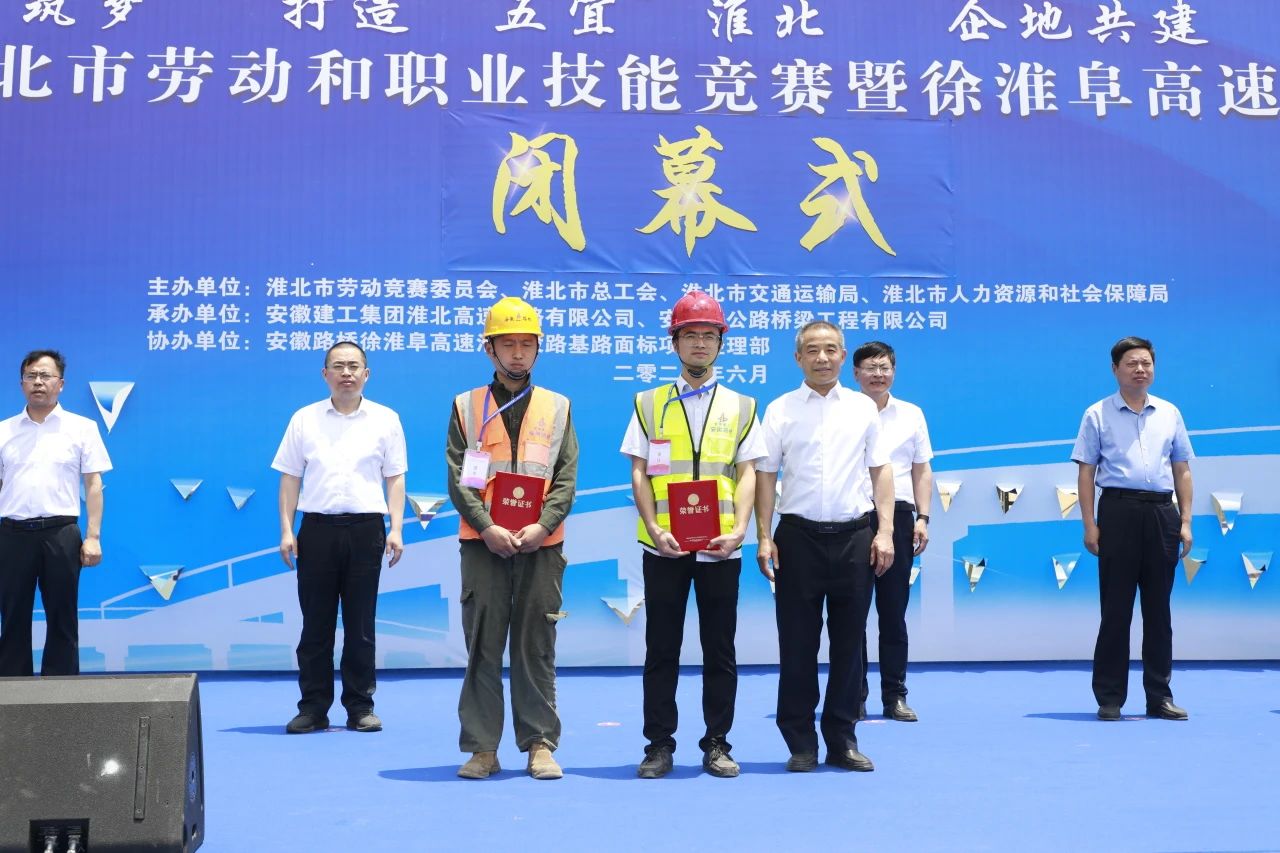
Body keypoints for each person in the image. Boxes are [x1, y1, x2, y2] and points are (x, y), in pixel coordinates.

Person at [620, 290, 766, 779]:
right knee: (661, 649)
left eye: (708, 335)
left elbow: (748, 472)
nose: (699, 343)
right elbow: (638, 471)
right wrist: (655, 527)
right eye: (690, 335)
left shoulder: (742, 406)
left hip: (721, 547)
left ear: (721, 343)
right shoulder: (649, 403)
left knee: (720, 650)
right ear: (674, 343)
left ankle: (717, 743)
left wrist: (740, 529)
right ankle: (658, 745)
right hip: (663, 546)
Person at [755, 321, 896, 773]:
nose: (822, 358)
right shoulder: (779, 410)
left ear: (843, 355)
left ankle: (842, 738)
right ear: (798, 358)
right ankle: (800, 742)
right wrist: (764, 535)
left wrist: (885, 531)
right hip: (797, 538)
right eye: (812, 350)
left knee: (849, 644)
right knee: (797, 643)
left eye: (831, 349)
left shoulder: (861, 408)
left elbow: (881, 471)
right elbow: (765, 476)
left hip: (855, 537)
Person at [446, 296, 578, 780]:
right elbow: (459, 476)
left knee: (535, 644)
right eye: (508, 344)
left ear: (538, 348)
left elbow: (565, 476)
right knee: (482, 644)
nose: (518, 353)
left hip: (542, 544)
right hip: (484, 544)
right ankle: (482, 748)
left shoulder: (557, 406)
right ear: (490, 349)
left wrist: (543, 525)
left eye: (527, 344)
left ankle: (540, 744)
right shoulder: (467, 406)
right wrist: (487, 526)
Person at [273, 341, 407, 735]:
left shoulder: (386, 419)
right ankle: (313, 708)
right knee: (315, 624)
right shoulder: (305, 419)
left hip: (367, 530)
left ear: (366, 373)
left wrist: (396, 529)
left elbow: (395, 478)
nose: (346, 373)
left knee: (360, 625)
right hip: (317, 530)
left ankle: (360, 707)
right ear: (325, 374)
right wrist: (287, 530)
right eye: (338, 366)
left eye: (353, 366)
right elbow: (290, 477)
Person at [1072, 336, 1193, 722]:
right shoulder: (1097, 414)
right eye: (1131, 363)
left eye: (1146, 363)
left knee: (1159, 612)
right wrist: (1090, 524)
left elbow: (1182, 469)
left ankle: (1159, 696)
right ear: (1115, 369)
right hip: (1118, 512)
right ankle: (1110, 698)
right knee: (1116, 610)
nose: (1140, 370)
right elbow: (1086, 472)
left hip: (1161, 514)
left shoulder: (1170, 413)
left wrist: (1186, 521)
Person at [0, 350, 111, 677]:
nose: (38, 382)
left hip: (61, 534)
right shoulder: (4, 431)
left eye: (45, 376)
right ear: (21, 384)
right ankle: (12, 693)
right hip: (12, 535)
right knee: (12, 617)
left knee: (63, 617)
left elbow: (93, 484)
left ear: (60, 384)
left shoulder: (82, 428)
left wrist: (93, 537)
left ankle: (62, 693)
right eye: (31, 376)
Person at [851, 341, 933, 723]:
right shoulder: (845, 412)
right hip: (854, 517)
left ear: (894, 372)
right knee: (852, 613)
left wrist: (923, 517)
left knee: (893, 612)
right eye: (870, 368)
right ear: (856, 373)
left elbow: (921, 468)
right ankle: (854, 695)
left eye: (884, 367)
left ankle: (895, 695)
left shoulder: (911, 414)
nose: (878, 374)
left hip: (899, 516)